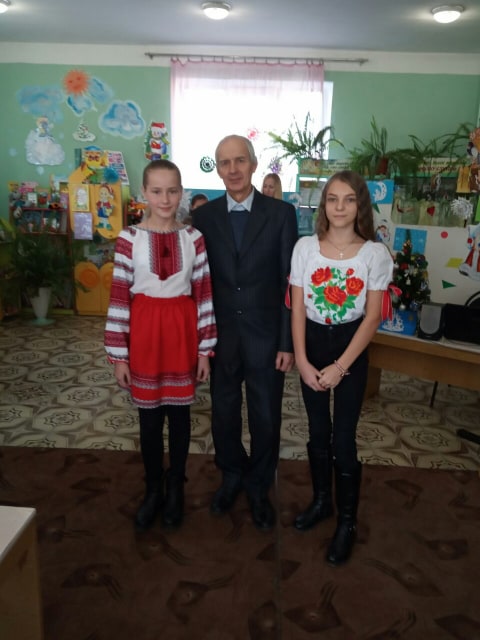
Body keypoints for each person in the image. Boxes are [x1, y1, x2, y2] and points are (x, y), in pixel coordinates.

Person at [192, 135, 298, 531]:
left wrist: (287, 342)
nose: (233, 169)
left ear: (253, 165)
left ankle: (258, 486)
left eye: (240, 161)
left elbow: (289, 283)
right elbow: (199, 283)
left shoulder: (281, 214)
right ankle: (232, 475)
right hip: (221, 336)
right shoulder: (204, 218)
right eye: (225, 162)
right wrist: (200, 342)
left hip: (266, 336)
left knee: (265, 416)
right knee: (223, 414)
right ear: (217, 169)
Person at [105, 159, 217, 532]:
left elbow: (203, 293)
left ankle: (176, 486)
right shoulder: (129, 239)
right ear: (144, 193)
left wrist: (204, 350)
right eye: (156, 191)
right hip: (145, 334)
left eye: (171, 191)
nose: (165, 199)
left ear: (181, 192)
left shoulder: (193, 238)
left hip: (182, 333)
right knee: (150, 419)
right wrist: (119, 355)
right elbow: (119, 296)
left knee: (180, 416)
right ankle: (153, 487)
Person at [289, 170, 393, 565]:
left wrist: (340, 366)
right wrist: (302, 359)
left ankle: (347, 521)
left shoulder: (374, 255)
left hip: (350, 348)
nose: (340, 207)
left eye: (349, 199)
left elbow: (372, 317)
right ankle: (322, 502)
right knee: (318, 431)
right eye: (332, 199)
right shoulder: (305, 248)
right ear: (324, 205)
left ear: (360, 205)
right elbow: (298, 308)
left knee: (344, 438)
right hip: (312, 344)